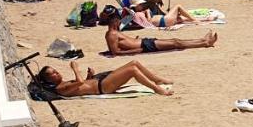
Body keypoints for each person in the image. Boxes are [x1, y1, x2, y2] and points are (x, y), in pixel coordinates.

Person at [102, 10, 218, 55]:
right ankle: (205, 43)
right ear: (115, 21)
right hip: (145, 46)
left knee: (175, 41)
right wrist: (136, 50)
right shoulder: (111, 34)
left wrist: (134, 39)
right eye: (118, 21)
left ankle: (203, 40)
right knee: (175, 43)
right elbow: (115, 51)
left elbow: (122, 44)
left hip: (145, 42)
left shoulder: (114, 32)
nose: (120, 23)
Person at [36, 60, 174, 97]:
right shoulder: (60, 88)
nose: (57, 73)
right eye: (53, 74)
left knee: (134, 63)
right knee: (132, 70)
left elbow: (81, 85)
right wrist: (75, 68)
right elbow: (79, 83)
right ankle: (157, 89)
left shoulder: (64, 83)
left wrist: (89, 76)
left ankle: (157, 80)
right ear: (48, 80)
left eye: (55, 71)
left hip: (101, 82)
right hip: (103, 88)